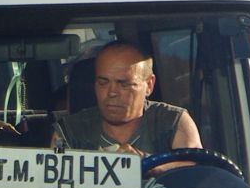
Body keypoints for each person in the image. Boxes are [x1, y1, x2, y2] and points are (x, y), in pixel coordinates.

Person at [53, 41, 202, 158]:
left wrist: (147, 164)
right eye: (103, 83)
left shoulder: (172, 122)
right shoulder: (70, 131)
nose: (111, 93)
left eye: (123, 84)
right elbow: (53, 182)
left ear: (149, 85)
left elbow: (193, 172)